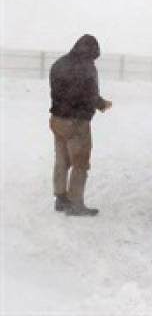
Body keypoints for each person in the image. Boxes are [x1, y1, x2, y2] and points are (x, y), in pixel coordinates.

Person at [49, 34, 112, 216]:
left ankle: (60, 199)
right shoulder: (86, 67)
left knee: (61, 160)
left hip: (57, 119)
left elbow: (57, 90)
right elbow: (90, 94)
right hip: (76, 122)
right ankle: (75, 203)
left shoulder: (59, 63)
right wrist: (102, 104)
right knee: (80, 162)